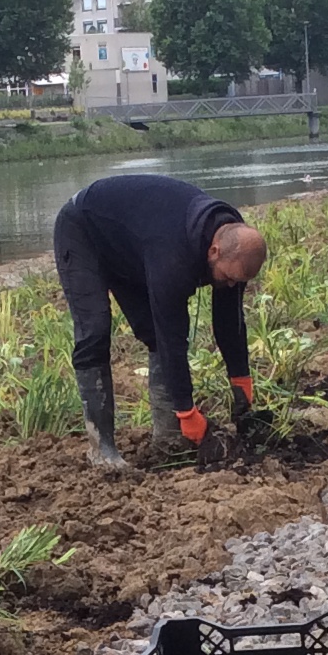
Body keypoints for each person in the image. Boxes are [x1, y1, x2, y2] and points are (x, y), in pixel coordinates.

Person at [51, 173, 268, 466]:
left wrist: (241, 378)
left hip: (131, 244)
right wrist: (187, 411)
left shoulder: (234, 243)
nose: (230, 285)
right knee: (95, 330)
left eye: (237, 281)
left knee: (152, 332)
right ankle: (101, 451)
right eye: (228, 278)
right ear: (213, 251)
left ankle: (167, 437)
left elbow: (229, 319)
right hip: (84, 230)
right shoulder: (174, 257)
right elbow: (173, 337)